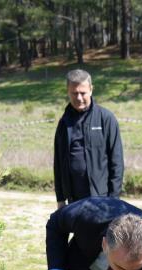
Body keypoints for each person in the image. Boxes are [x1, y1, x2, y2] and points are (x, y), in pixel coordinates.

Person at [53, 70, 124, 209]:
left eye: (83, 93)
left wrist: (114, 199)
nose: (79, 97)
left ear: (91, 90)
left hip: (102, 200)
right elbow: (58, 163)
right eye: (74, 93)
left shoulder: (106, 119)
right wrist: (60, 198)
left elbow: (117, 163)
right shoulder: (64, 123)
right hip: (74, 201)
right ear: (68, 91)